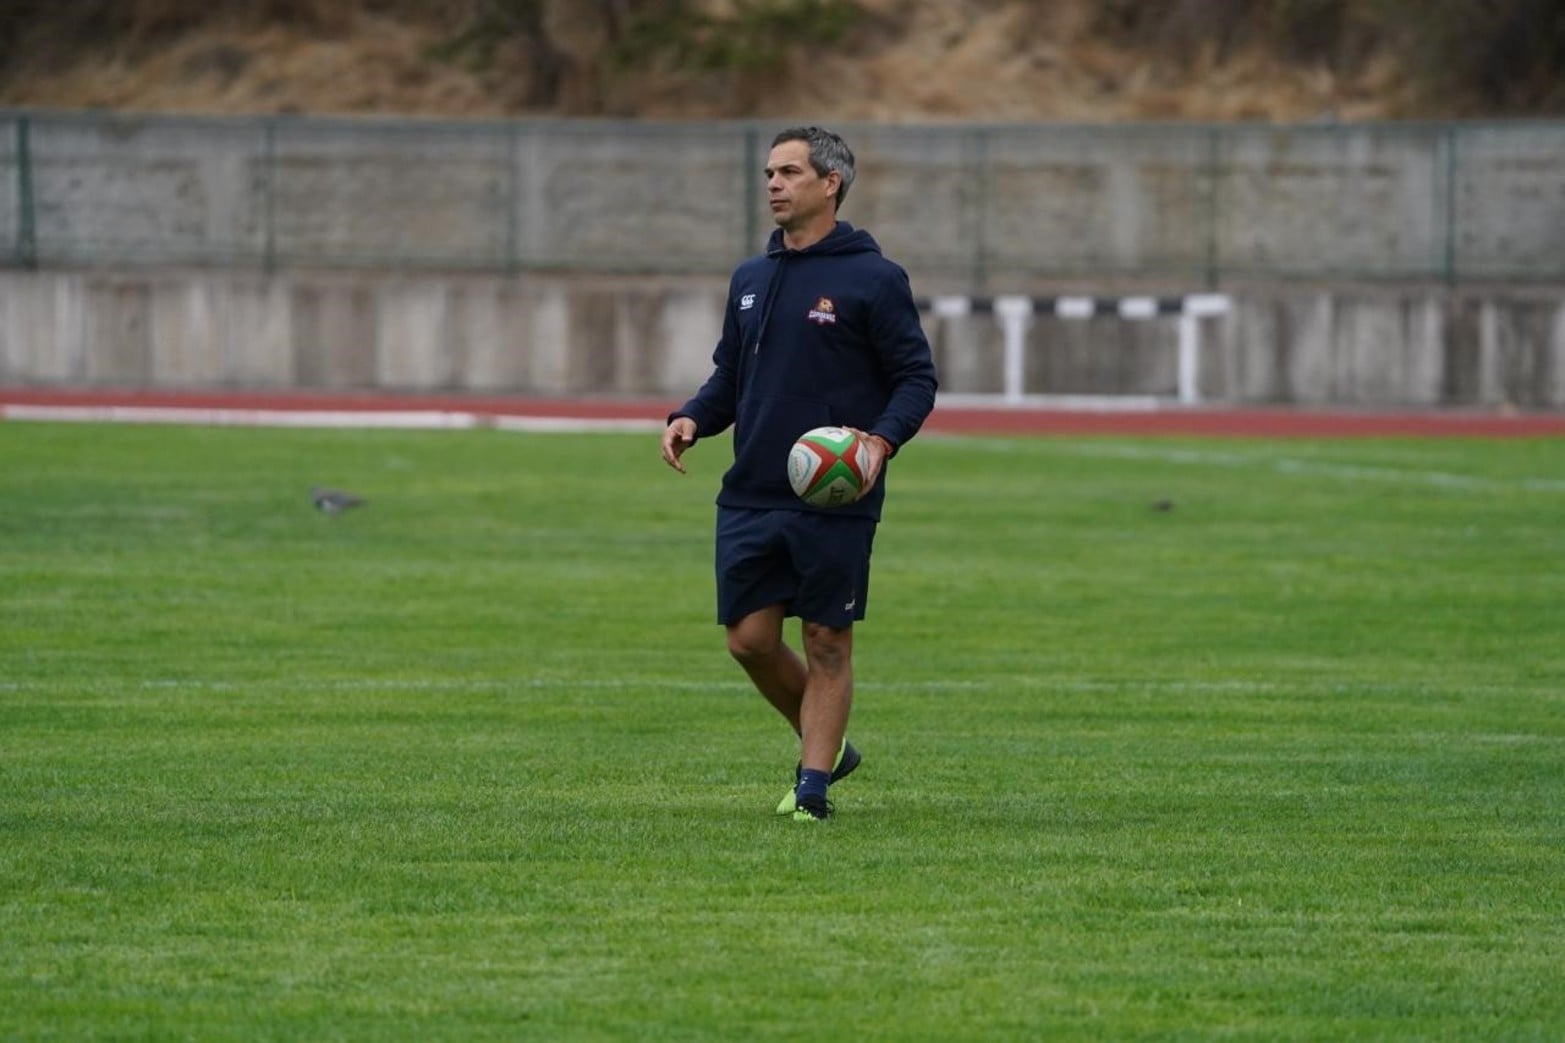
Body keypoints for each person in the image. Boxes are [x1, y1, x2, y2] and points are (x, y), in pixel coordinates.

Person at [659, 126, 938, 822]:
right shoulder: (750, 278)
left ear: (829, 183)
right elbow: (732, 372)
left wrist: (880, 442)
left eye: (787, 172)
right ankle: (832, 747)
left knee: (825, 639)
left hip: (835, 493)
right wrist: (693, 415)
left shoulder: (874, 278)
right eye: (768, 173)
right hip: (751, 487)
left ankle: (811, 789)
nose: (774, 185)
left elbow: (915, 378)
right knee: (748, 640)